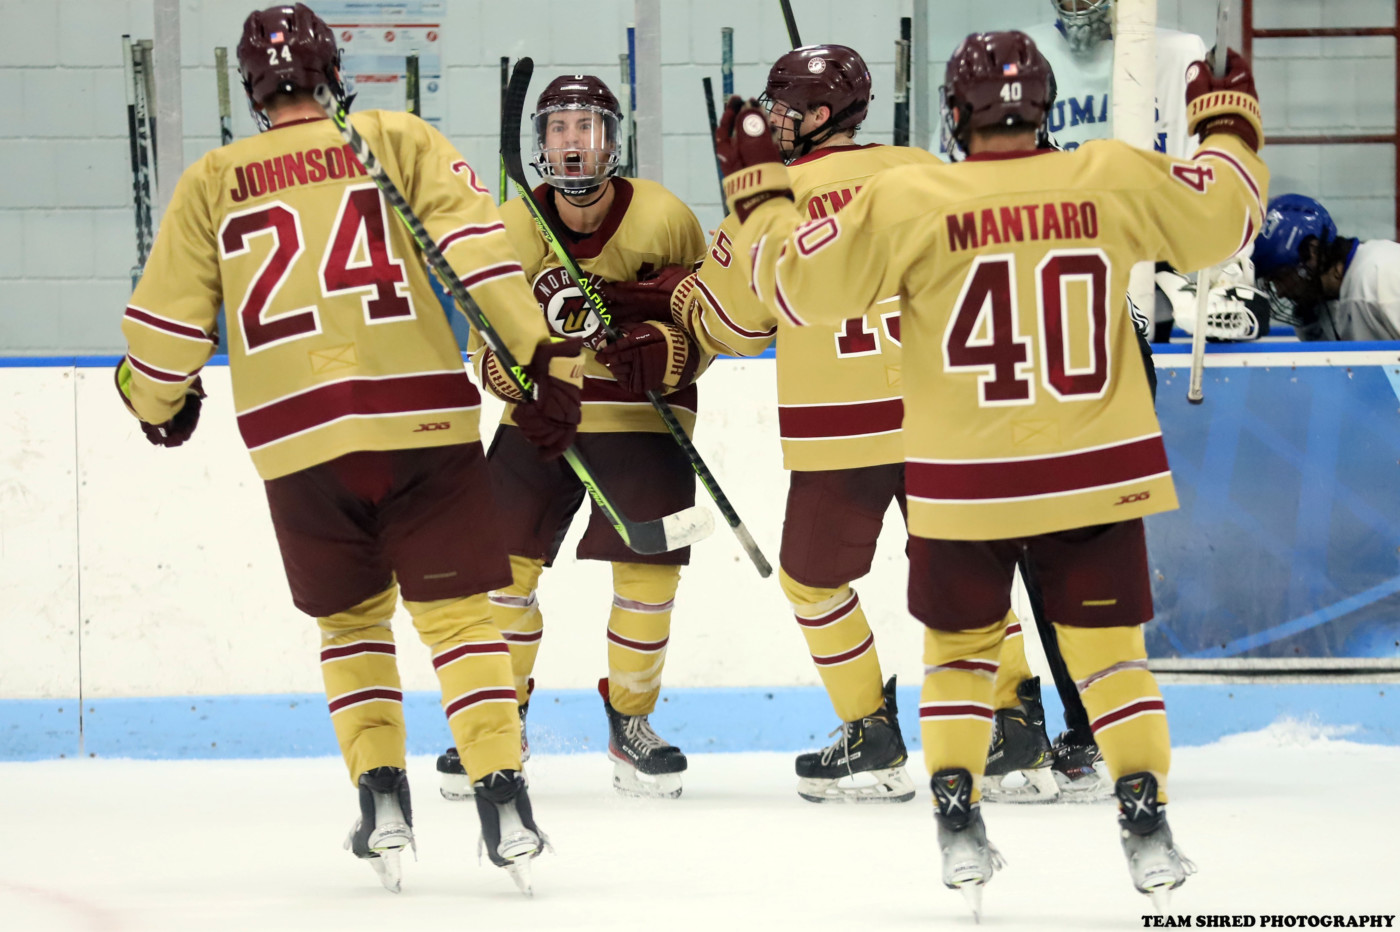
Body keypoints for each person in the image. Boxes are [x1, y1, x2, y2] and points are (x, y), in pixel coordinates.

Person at [714, 29, 1266, 912]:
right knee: (1111, 659)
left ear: (953, 111)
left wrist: (760, 198)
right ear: (1044, 107)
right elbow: (1225, 219)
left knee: (959, 653)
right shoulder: (1107, 174)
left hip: (968, 469)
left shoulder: (915, 199)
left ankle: (958, 810)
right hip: (1091, 465)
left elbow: (795, 291)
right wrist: (1227, 128)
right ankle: (1144, 811)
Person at [113, 2, 575, 894]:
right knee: (460, 620)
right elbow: (476, 254)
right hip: (421, 423)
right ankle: (504, 798)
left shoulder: (212, 179)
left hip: (296, 441)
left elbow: (165, 332)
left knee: (352, 623)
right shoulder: (395, 139)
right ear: (333, 72)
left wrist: (155, 397)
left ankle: (382, 799)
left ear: (253, 90)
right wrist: (539, 358)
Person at [436, 73, 708, 800]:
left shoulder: (665, 217)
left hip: (645, 420)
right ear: (542, 143)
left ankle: (631, 723)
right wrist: (510, 376)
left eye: (587, 126)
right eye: (559, 128)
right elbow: (482, 345)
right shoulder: (509, 227)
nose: (573, 141)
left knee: (649, 577)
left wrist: (672, 352)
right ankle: (500, 723)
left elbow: (710, 321)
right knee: (499, 572)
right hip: (540, 422)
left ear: (613, 141)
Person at [1252, 193, 1400, 341]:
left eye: (1280, 277)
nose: (1280, 292)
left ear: (1313, 252)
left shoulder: (1382, 275)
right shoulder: (1316, 310)